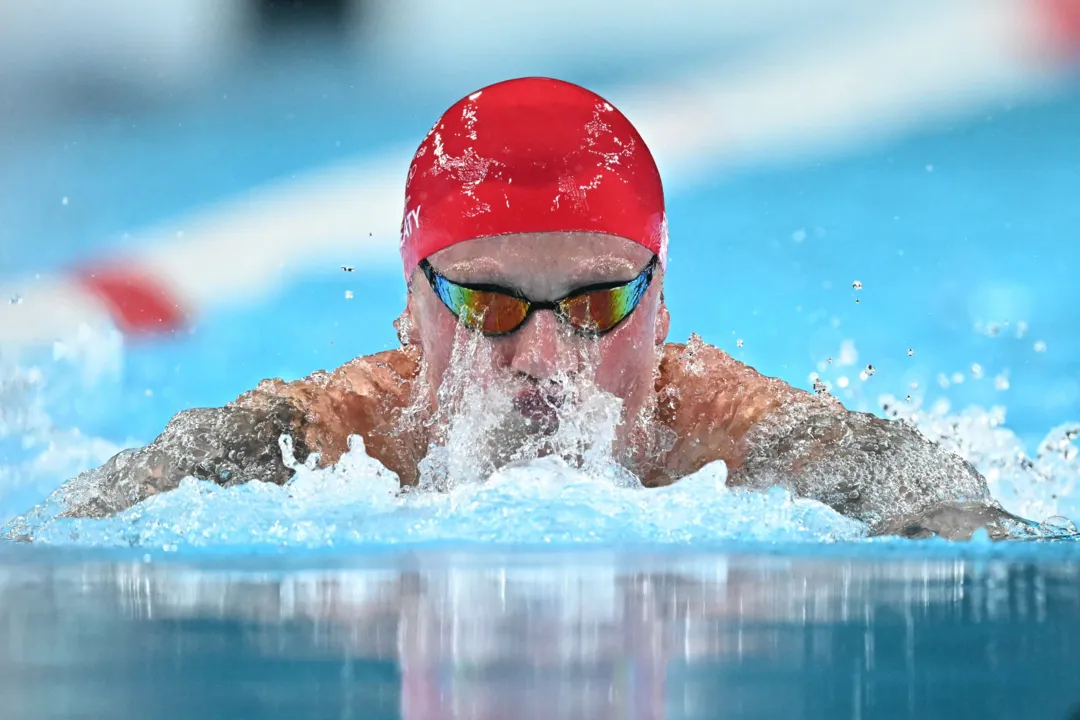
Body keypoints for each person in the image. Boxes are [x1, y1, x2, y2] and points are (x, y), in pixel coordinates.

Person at [22, 77, 1035, 540]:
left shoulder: (718, 436)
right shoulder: (340, 439)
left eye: (596, 301)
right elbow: (86, 517)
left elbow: (936, 501)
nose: (545, 356)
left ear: (664, 309)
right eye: (484, 303)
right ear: (410, 311)